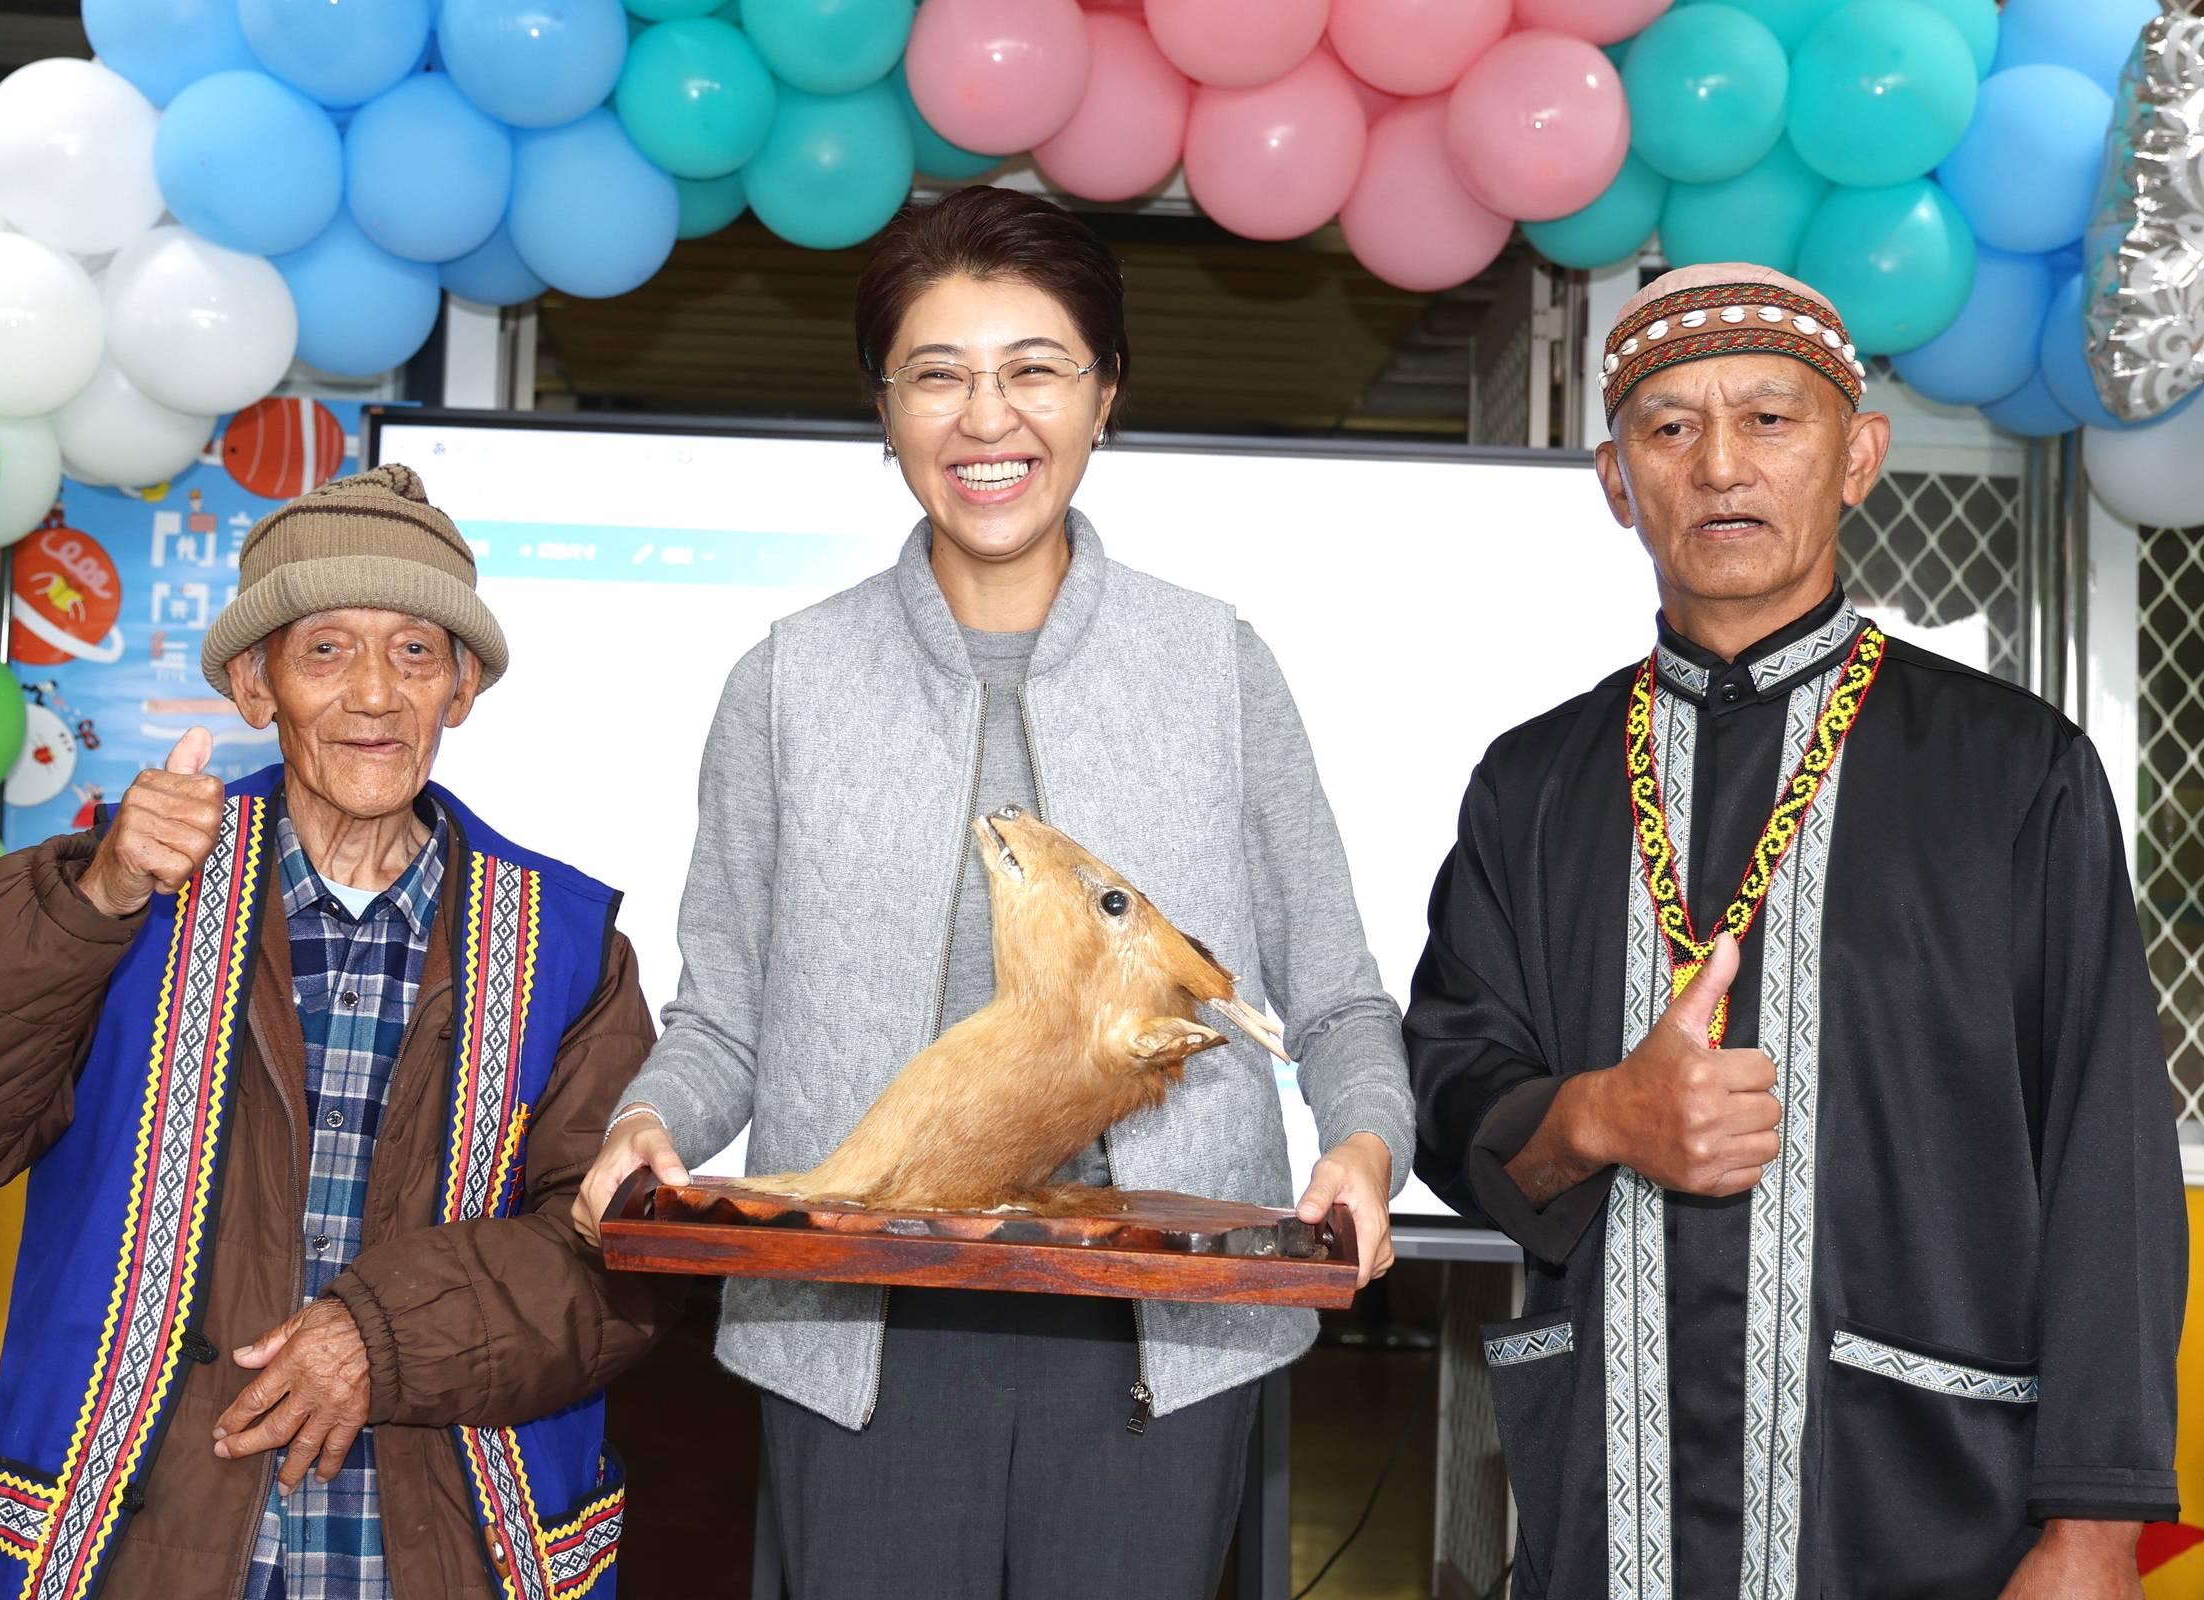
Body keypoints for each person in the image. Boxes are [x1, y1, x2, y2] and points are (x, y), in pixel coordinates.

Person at [571, 186, 1413, 1598]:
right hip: (864, 1345)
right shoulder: (786, 682)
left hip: (1167, 1331)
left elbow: (1333, 998)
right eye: (939, 375)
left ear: (1105, 397)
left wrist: (1364, 1149)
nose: (988, 420)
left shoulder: (1218, 668)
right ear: (884, 408)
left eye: (1034, 370)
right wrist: (647, 1122)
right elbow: (724, 1021)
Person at [1404, 263, 2185, 1599]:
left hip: (1918, 1503)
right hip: (1612, 1510)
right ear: (1613, 481)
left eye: (1770, 418)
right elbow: (1448, 1098)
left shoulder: (2016, 773)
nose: (1720, 466)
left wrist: (2096, 1523)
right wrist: (1602, 1115)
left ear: (1858, 455)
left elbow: (2105, 1149)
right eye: (1670, 427)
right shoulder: (1532, 785)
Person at [0, 466, 670, 1600]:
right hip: (136, 1550)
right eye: (325, 649)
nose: (375, 694)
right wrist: (98, 898)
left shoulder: (567, 944)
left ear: (463, 687)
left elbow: (615, 1258)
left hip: (438, 1555)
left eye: (417, 652)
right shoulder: (116, 891)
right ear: (252, 682)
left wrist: (381, 1335)